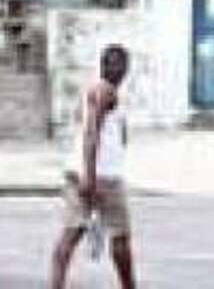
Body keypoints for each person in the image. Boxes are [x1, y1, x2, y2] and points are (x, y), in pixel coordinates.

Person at [50, 44, 135, 289]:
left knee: (73, 231)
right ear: (105, 67)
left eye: (121, 64)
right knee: (119, 236)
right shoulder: (104, 93)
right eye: (114, 64)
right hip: (100, 176)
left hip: (88, 172)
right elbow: (91, 133)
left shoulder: (101, 92)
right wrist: (89, 175)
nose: (118, 69)